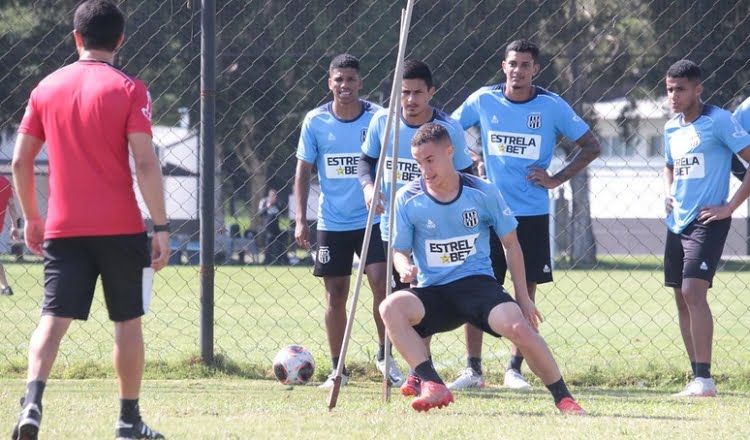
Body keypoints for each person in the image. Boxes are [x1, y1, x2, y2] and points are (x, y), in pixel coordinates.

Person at [10, 1, 169, 439]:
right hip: (120, 227)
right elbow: (145, 163)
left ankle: (32, 403)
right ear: (120, 39)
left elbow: (22, 162)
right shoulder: (130, 88)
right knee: (127, 323)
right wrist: (161, 226)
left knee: (52, 318)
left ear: (76, 37)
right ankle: (127, 421)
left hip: (63, 227)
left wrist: (32, 219)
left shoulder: (45, 87)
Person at [379, 122, 585, 414]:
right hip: (432, 292)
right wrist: (405, 267)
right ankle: (432, 383)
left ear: (449, 152)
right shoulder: (407, 198)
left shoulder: (482, 191)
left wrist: (523, 297)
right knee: (390, 307)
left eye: (430, 160)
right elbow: (399, 250)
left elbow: (511, 244)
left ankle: (564, 398)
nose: (424, 169)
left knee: (520, 327)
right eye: (418, 162)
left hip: (477, 287)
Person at [450, 39, 601, 390]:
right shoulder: (483, 100)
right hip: (486, 211)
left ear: (536, 70)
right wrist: (469, 163)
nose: (518, 71)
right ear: (504, 66)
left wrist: (556, 178)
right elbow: (450, 129)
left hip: (530, 213)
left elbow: (592, 145)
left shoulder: (552, 106)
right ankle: (473, 370)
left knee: (525, 291)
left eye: (525, 65)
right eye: (512, 64)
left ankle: (514, 370)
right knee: (477, 286)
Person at [358, 59, 474, 394]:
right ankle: (400, 363)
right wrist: (368, 187)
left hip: (432, 227)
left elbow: (467, 175)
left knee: (421, 297)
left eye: (417, 93)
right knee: (388, 289)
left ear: (431, 93)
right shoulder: (383, 121)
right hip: (391, 223)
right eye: (404, 92)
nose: (410, 100)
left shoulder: (447, 129)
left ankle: (419, 371)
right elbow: (365, 161)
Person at [294, 54, 403, 387]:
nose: (345, 86)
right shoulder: (315, 121)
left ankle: (386, 357)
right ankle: (336, 368)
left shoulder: (378, 118)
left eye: (351, 79)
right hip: (332, 221)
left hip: (373, 219)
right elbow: (302, 171)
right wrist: (301, 218)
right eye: (338, 79)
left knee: (381, 283)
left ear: (360, 82)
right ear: (330, 82)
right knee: (335, 293)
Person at [662, 60, 750, 397]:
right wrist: (667, 191)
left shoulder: (719, 121)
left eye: (680, 89)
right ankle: (697, 376)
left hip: (708, 220)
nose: (673, 95)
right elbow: (669, 166)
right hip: (677, 222)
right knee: (680, 298)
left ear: (698, 89)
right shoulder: (671, 128)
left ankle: (705, 379)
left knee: (692, 292)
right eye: (669, 89)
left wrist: (730, 206)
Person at [0, 175, 20, 296]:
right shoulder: (5, 182)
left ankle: (5, 287)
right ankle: (5, 287)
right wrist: (14, 226)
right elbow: (11, 205)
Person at [258, 188, 287, 265]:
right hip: (267, 226)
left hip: (276, 226)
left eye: (275, 195)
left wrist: (276, 204)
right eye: (272, 195)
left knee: (281, 242)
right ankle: (267, 260)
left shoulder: (278, 202)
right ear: (269, 195)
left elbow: (283, 212)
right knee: (268, 244)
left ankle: (281, 260)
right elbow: (260, 213)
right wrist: (268, 206)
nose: (274, 197)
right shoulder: (264, 201)